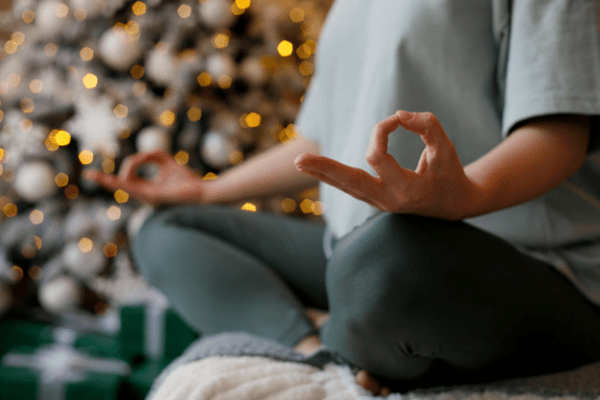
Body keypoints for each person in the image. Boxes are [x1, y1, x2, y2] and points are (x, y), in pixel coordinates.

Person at [86, 0, 600, 394]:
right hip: (360, 255)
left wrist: (462, 196)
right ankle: (320, 349)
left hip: (530, 265)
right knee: (166, 229)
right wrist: (207, 191)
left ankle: (348, 323)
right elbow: (322, 143)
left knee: (386, 256)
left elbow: (558, 132)